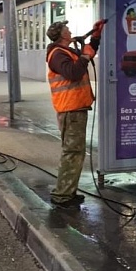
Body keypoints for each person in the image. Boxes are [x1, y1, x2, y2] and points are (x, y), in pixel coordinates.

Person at [45, 19, 105, 208]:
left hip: (75, 108)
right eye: (67, 29)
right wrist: (85, 57)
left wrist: (95, 36)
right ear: (62, 34)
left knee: (75, 152)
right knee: (72, 152)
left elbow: (87, 53)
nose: (70, 31)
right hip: (70, 110)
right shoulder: (57, 55)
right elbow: (73, 72)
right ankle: (62, 196)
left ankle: (68, 192)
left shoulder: (67, 52)